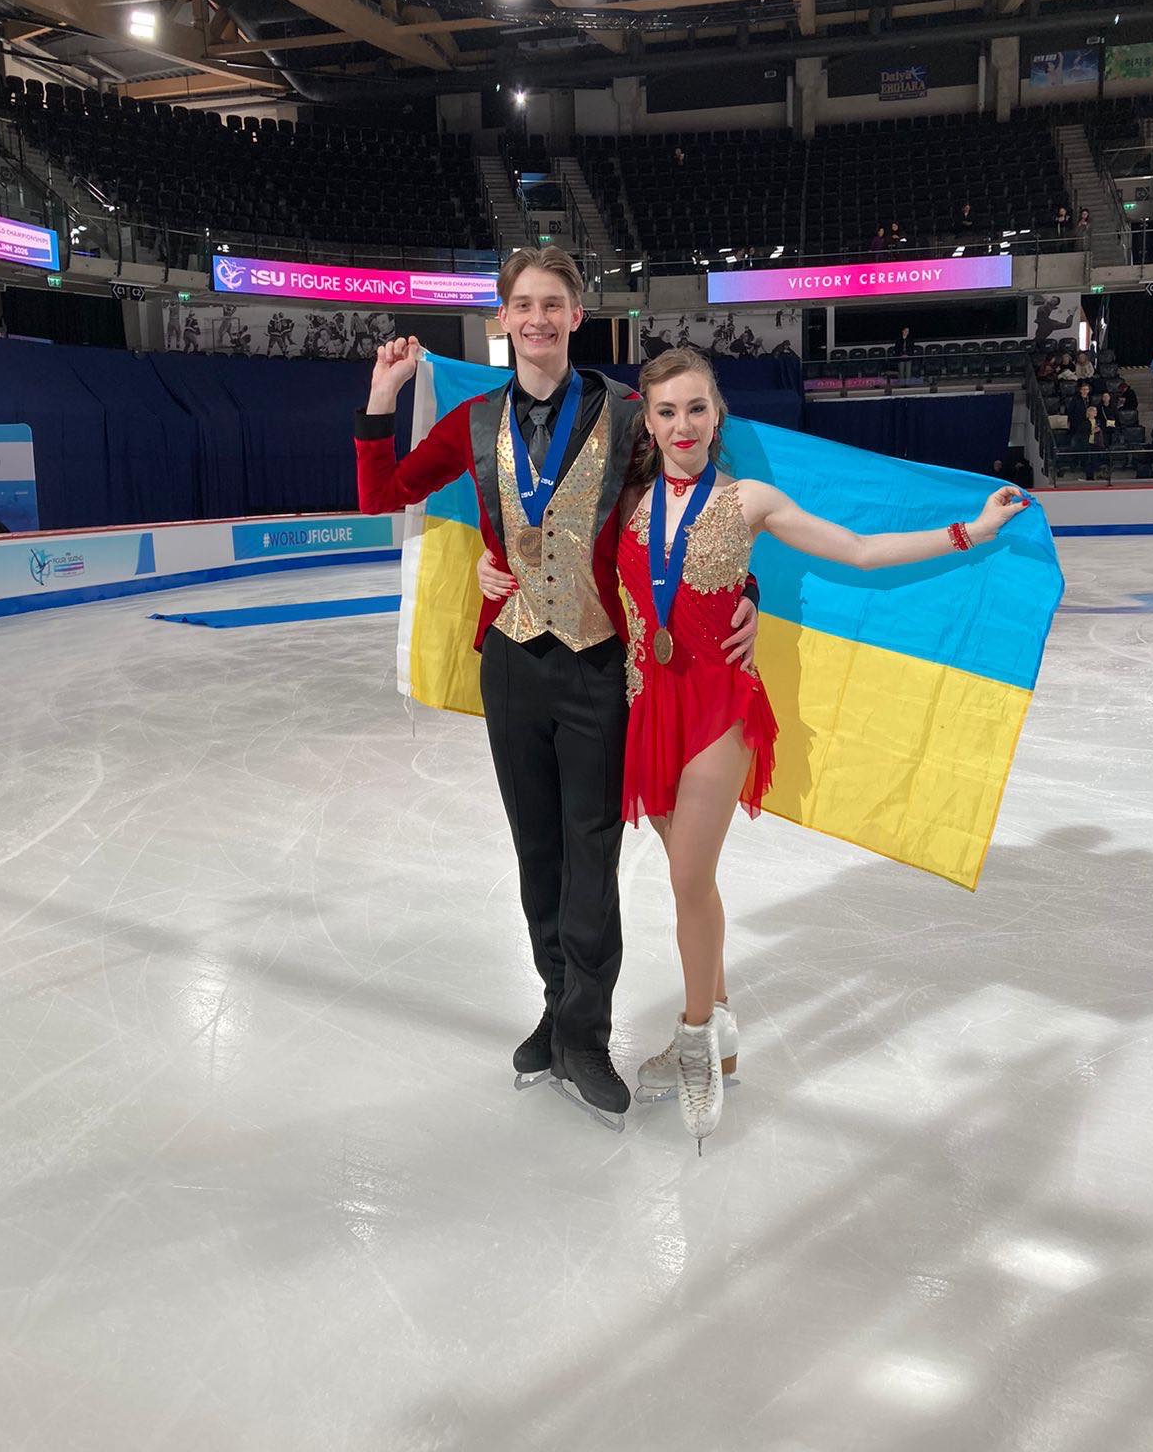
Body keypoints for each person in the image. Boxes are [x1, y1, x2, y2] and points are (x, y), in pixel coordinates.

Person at [479, 347, 1028, 1152]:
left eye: (696, 408)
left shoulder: (750, 500)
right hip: (645, 706)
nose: (683, 425)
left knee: (688, 877)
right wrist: (492, 564)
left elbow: (858, 550)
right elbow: (544, 539)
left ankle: (696, 1039)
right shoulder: (623, 498)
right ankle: (723, 1035)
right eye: (667, 411)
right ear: (647, 423)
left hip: (717, 709)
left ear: (718, 414)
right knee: (692, 885)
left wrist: (969, 531)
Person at [355, 247, 759, 1132]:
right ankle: (553, 1008)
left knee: (591, 852)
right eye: (523, 305)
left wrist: (747, 594)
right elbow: (382, 491)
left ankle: (585, 1032)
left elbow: (692, 513)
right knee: (537, 849)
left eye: (553, 304)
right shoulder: (471, 423)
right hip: (510, 662)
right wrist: (382, 397)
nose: (537, 319)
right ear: (502, 319)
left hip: (597, 664)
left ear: (579, 315)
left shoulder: (629, 414)